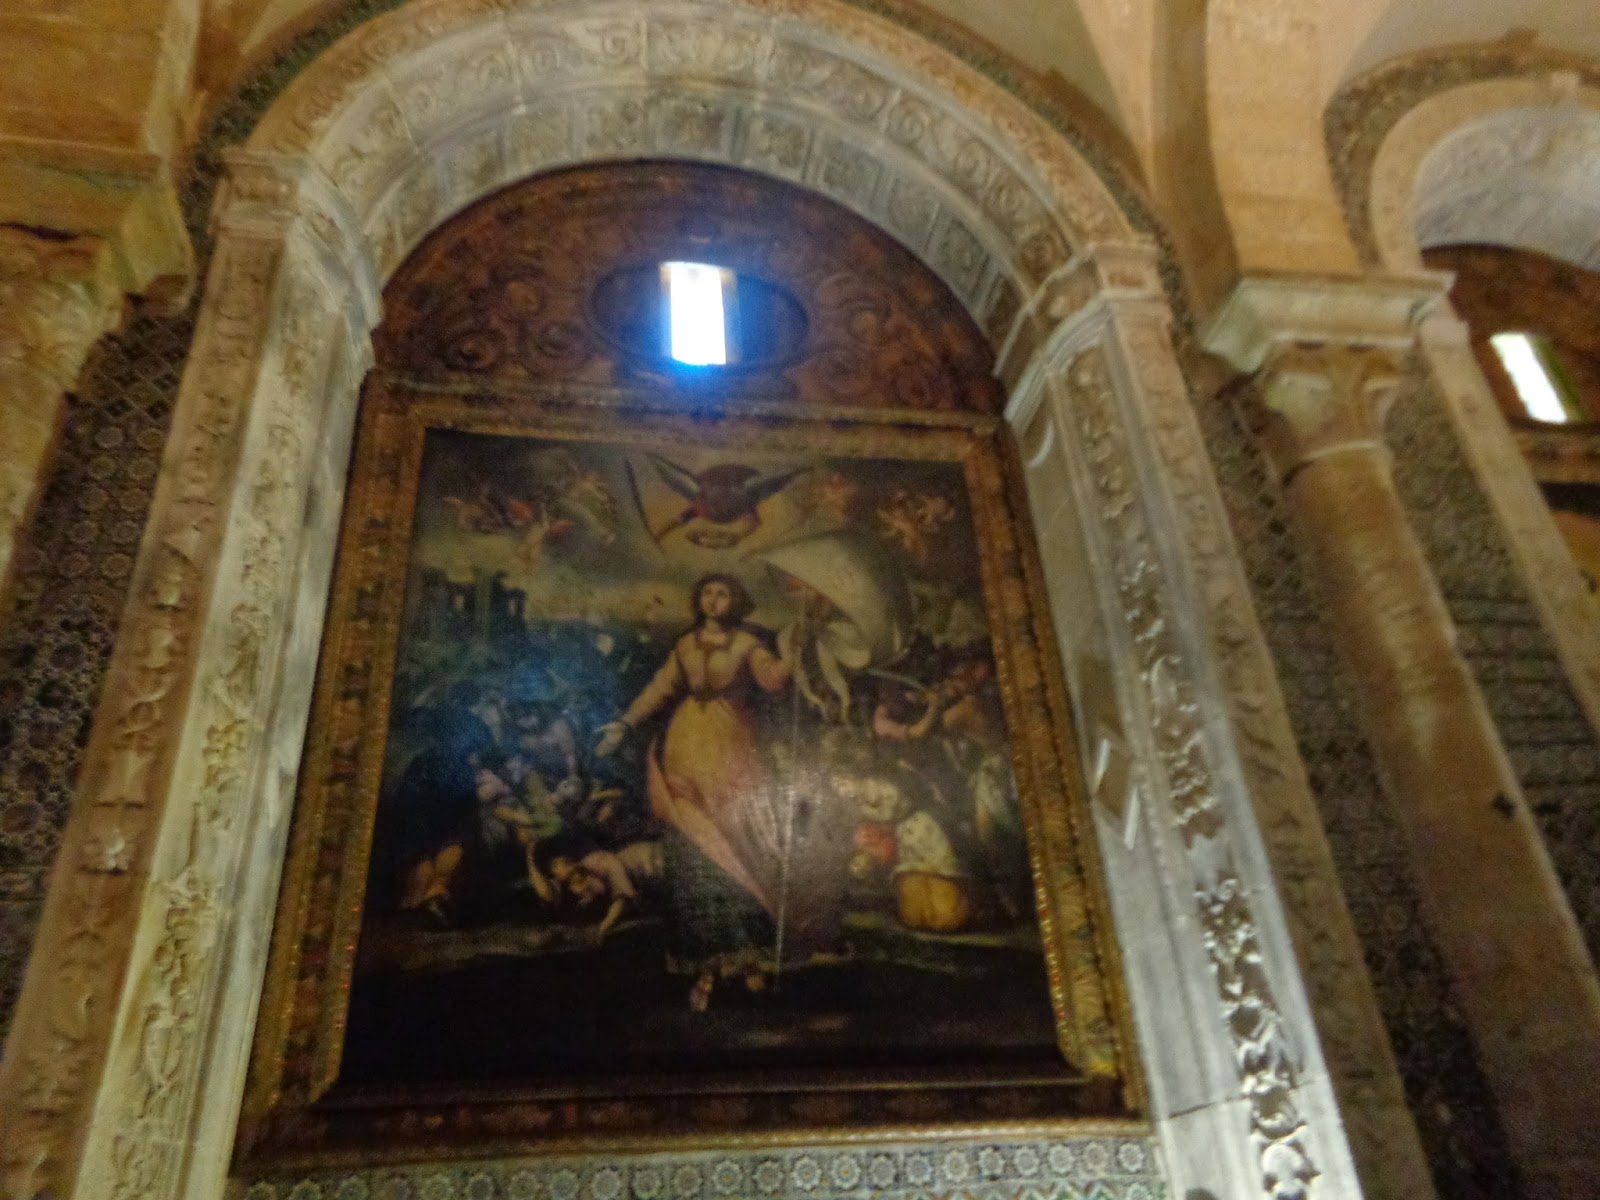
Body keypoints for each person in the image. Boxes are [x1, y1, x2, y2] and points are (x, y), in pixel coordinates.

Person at [594, 573, 799, 1000]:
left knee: (732, 842)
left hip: (731, 751)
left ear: (736, 601)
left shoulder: (747, 645)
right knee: (690, 846)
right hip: (683, 750)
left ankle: (748, 954)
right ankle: (703, 957)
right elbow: (660, 689)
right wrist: (625, 723)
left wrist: (793, 648)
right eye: (707, 592)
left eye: (723, 594)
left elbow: (775, 680)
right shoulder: (686, 645)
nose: (713, 600)